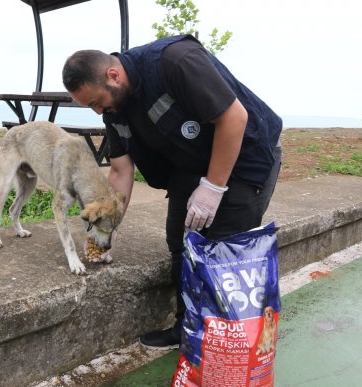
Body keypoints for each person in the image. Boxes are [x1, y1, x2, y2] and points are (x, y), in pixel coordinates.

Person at [62, 35, 283, 349]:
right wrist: (104, 230)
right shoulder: (114, 108)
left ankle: (229, 344)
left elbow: (234, 118)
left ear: (113, 76)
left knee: (226, 251)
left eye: (97, 101)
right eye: (91, 107)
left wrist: (213, 187)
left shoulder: (175, 61)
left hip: (245, 153)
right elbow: (121, 170)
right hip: (190, 161)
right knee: (180, 243)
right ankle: (187, 328)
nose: (99, 112)